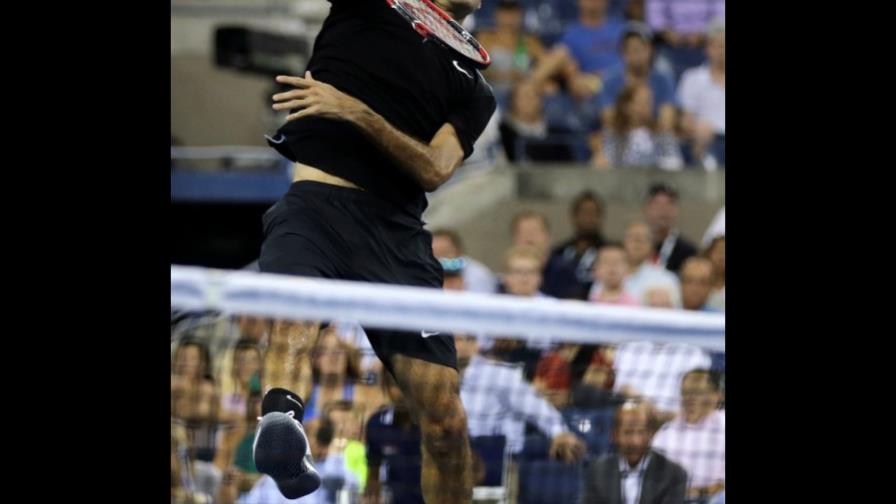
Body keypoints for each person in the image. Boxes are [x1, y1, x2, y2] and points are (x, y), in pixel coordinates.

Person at [254, 0, 496, 501]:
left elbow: (434, 168)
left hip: (397, 236)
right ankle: (281, 429)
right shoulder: (365, 5)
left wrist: (353, 110)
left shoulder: (474, 89)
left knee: (447, 425)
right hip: (315, 206)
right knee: (293, 315)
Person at [580, 400, 687, 504]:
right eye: (628, 432)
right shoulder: (598, 472)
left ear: (651, 434)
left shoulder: (673, 474)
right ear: (615, 435)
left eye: (641, 432)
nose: (635, 442)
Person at [651, 369, 725, 500]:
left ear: (716, 397)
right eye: (686, 393)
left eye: (698, 393)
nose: (690, 399)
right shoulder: (665, 433)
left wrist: (695, 493)